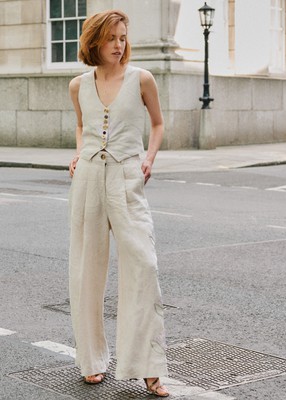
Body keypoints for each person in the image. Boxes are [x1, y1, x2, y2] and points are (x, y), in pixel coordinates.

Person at [68, 9, 169, 397]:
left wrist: (149, 158)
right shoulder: (78, 85)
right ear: (94, 41)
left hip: (128, 177)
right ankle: (91, 359)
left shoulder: (141, 79)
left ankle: (147, 366)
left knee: (144, 264)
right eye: (111, 38)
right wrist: (78, 152)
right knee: (85, 270)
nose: (119, 44)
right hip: (89, 179)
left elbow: (157, 124)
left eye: (123, 37)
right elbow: (81, 125)